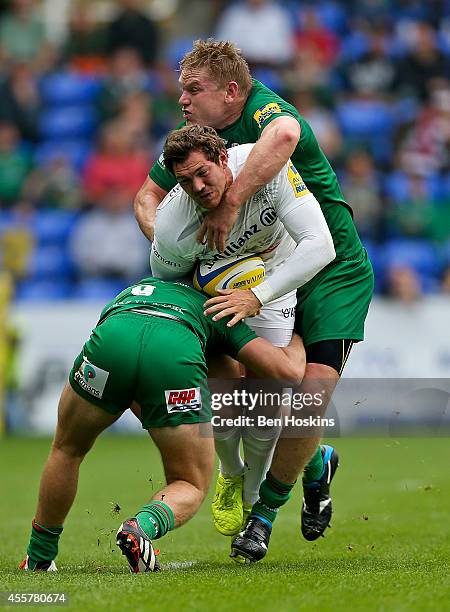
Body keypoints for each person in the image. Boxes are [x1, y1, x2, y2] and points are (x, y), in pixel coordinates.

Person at [134, 39, 374, 545]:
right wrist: (174, 242)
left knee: (308, 394)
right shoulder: (199, 143)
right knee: (247, 389)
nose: (182, 100)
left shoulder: (265, 109)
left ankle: (262, 516)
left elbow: (287, 134)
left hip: (331, 267)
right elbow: (147, 196)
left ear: (232, 90)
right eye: (180, 91)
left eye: (193, 89)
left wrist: (229, 203)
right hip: (261, 264)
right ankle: (313, 464)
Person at [19, 276, 303, 573]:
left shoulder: (137, 287)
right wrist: (298, 333)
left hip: (114, 335)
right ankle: (140, 527)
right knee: (190, 482)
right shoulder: (217, 308)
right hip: (172, 353)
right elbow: (285, 372)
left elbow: (131, 357)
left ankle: (39, 556)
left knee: (66, 450)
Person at [150, 124, 335, 539]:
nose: (197, 186)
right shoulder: (172, 228)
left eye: (203, 173)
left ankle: (260, 498)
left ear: (222, 157)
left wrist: (258, 295)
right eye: (184, 181)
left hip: (274, 280)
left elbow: (321, 246)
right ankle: (231, 473)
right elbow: (169, 283)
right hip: (212, 295)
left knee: (265, 404)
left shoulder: (264, 165)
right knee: (225, 400)